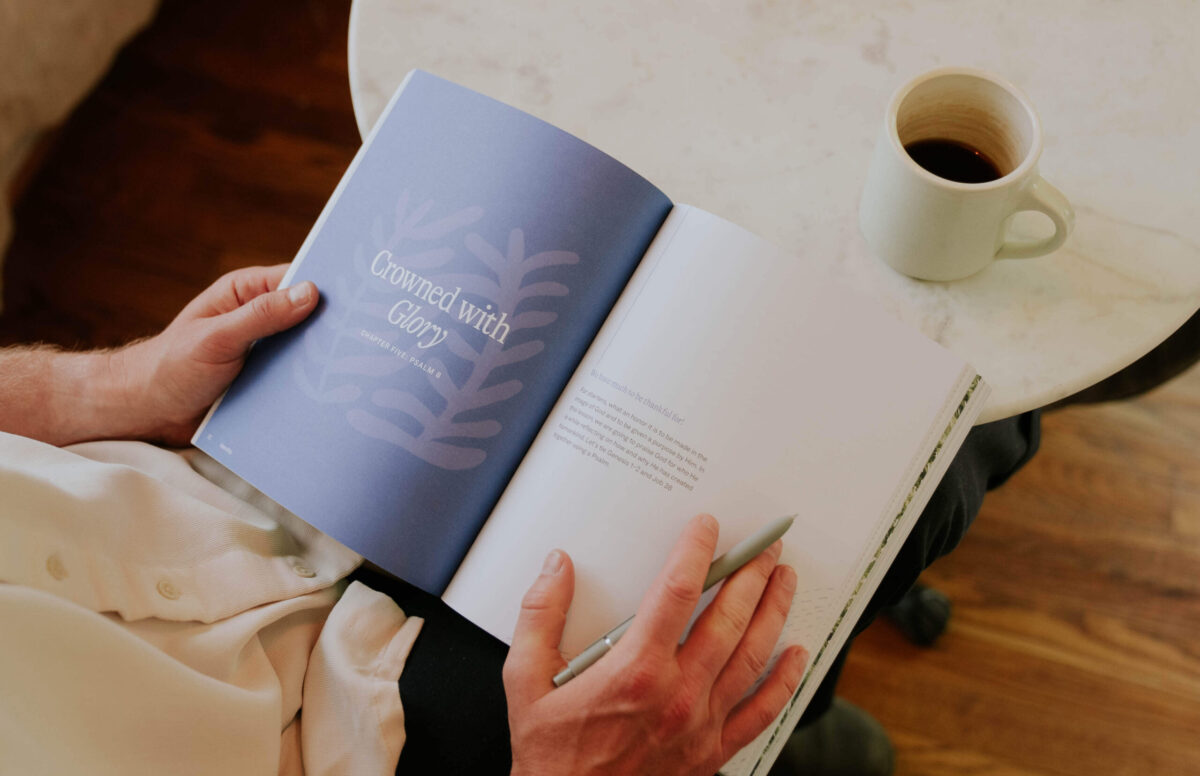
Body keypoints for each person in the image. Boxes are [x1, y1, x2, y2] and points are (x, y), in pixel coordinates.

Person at [0, 265, 809, 776]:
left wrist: (114, 389)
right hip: (361, 742)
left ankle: (805, 717)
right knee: (894, 524)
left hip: (233, 488)